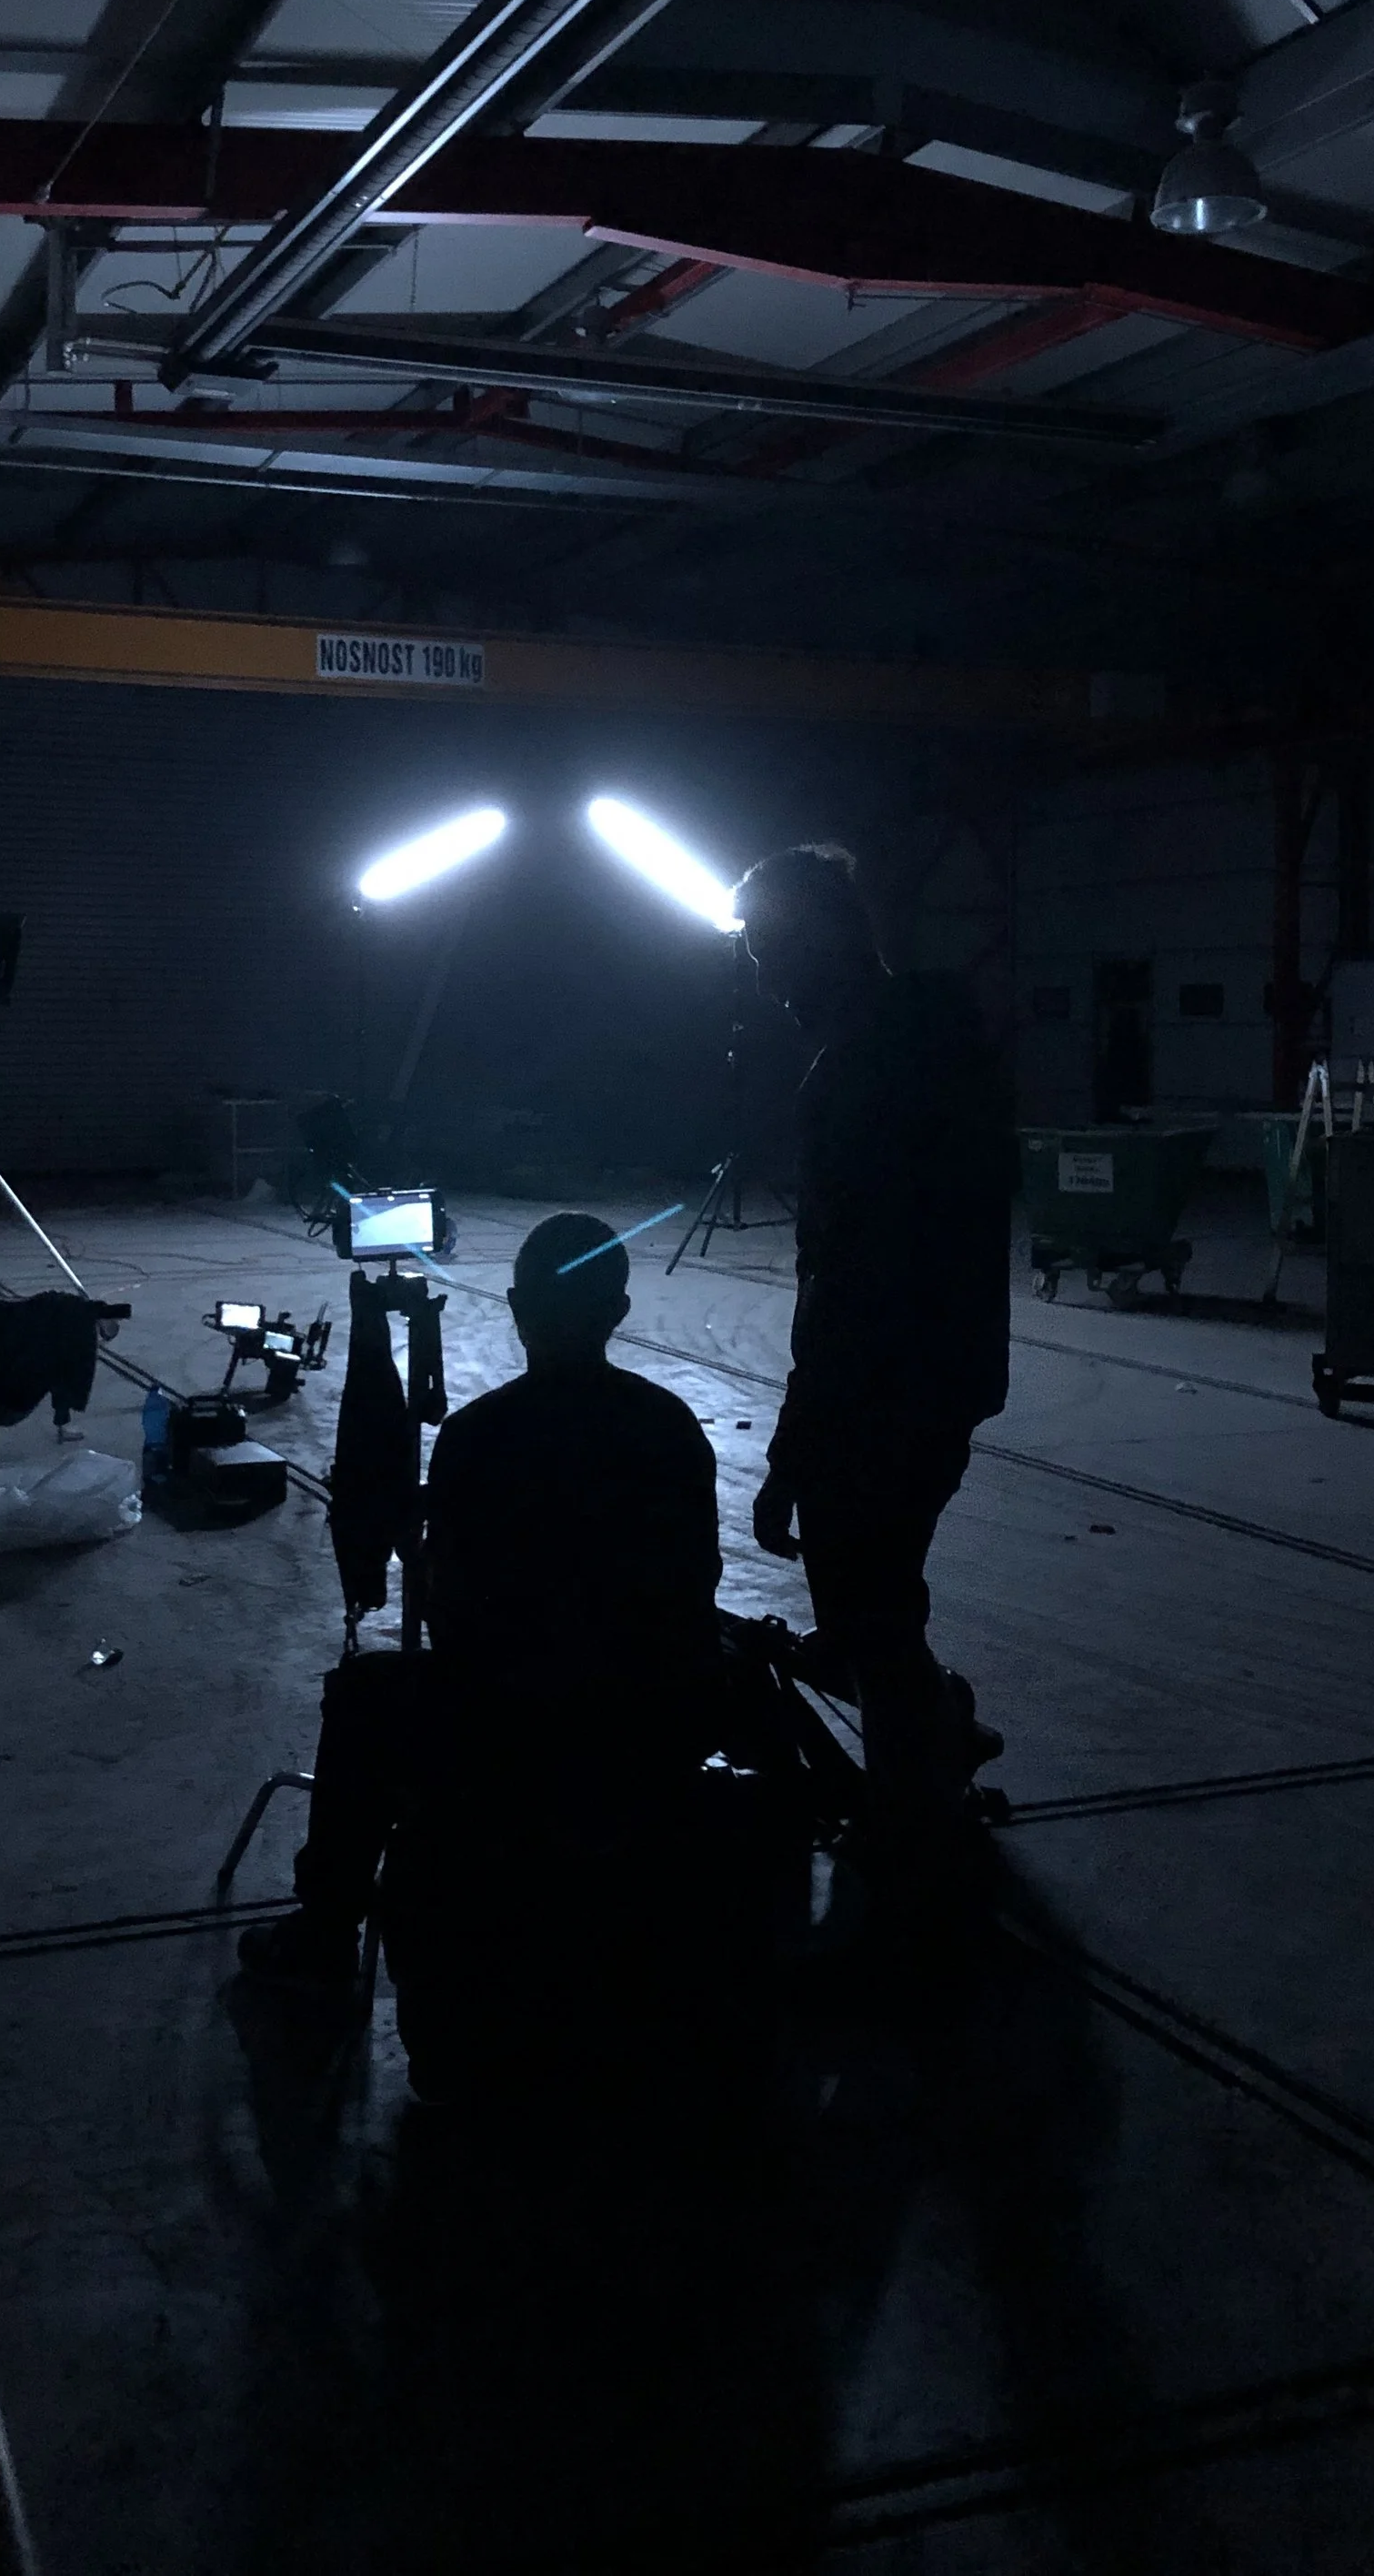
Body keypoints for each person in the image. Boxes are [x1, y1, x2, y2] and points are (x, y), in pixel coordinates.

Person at [241, 1211, 724, 1987]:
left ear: (515, 1307)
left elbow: (460, 1623)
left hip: (519, 1725)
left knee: (365, 1698)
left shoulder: (478, 1437)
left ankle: (325, 1934)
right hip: (654, 1717)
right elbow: (696, 1582)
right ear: (620, 1313)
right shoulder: (669, 1427)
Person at [734, 840, 1013, 1888]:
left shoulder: (856, 1070)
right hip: (952, 1373)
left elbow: (844, 1278)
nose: (762, 977)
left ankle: (907, 1851)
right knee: (884, 1600)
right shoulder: (947, 1045)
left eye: (768, 949)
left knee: (869, 1621)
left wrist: (794, 1446)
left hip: (878, 1390)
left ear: (816, 945)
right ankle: (944, 1736)